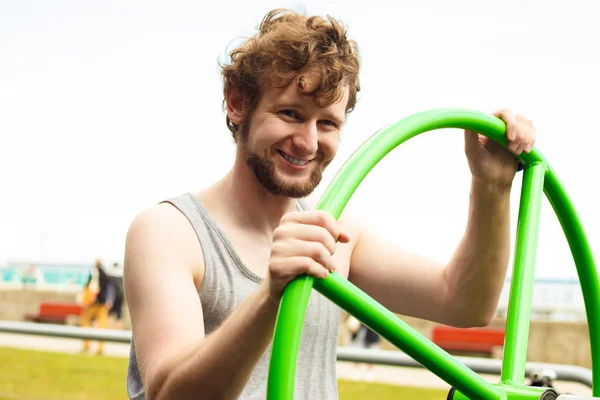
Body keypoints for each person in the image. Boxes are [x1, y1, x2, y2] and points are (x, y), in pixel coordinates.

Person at [123, 8, 537, 400]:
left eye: (327, 123)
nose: (307, 142)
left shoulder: (338, 232)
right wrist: (271, 295)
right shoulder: (169, 232)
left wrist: (492, 188)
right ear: (236, 102)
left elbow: (465, 301)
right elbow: (168, 392)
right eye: (289, 113)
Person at [80, 258, 116, 355]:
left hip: (91, 303)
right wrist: (109, 300)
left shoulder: (93, 274)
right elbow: (110, 288)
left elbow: (88, 287)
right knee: (102, 327)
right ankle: (100, 348)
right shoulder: (106, 275)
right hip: (103, 304)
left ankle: (86, 345)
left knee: (86, 324)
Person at [108, 261, 125, 330]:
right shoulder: (121, 275)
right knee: (119, 316)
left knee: (110, 315)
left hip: (112, 298)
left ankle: (110, 330)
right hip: (120, 297)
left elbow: (109, 288)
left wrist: (109, 299)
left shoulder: (110, 275)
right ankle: (118, 331)